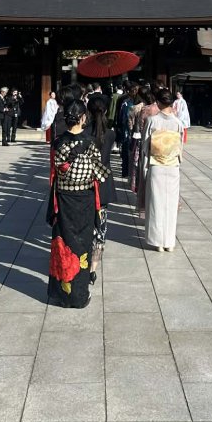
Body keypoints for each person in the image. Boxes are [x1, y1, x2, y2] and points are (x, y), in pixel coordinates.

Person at [47, 99, 110, 309]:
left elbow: (54, 173)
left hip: (64, 199)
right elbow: (99, 173)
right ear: (83, 118)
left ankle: (62, 294)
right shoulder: (90, 142)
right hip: (84, 198)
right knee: (82, 244)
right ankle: (80, 295)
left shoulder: (58, 142)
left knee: (63, 244)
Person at [143, 87, 184, 252]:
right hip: (172, 165)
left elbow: (145, 145)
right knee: (170, 203)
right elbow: (180, 146)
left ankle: (158, 241)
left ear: (158, 102)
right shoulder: (177, 122)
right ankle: (169, 242)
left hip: (156, 164)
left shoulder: (152, 120)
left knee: (156, 203)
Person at [86, 94, 118, 283]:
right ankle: (93, 268)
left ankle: (82, 261)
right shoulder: (111, 133)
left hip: (87, 181)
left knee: (85, 224)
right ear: (105, 110)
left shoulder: (84, 132)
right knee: (100, 228)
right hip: (104, 181)